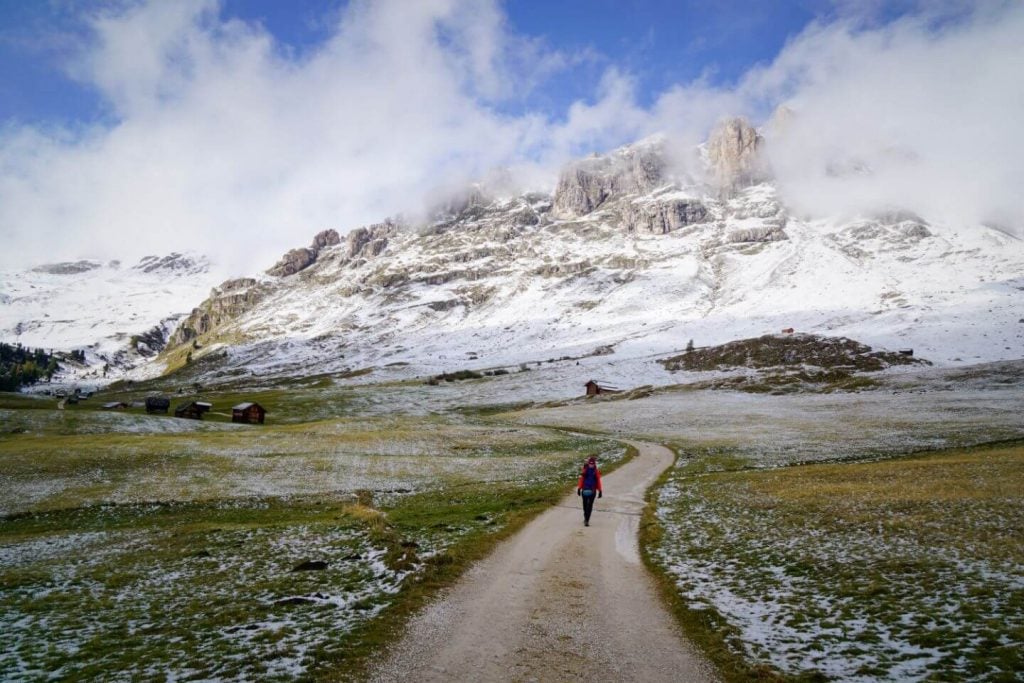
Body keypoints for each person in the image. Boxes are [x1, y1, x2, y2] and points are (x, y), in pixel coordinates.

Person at [576, 456, 603, 526]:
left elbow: (598, 482)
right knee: (585, 505)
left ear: (594, 464)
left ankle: (587, 520)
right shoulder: (585, 470)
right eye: (590, 464)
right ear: (588, 464)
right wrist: (579, 489)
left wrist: (600, 491)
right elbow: (581, 480)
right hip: (584, 490)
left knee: (590, 505)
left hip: (593, 491)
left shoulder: (596, 472)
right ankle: (585, 516)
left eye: (592, 464)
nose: (591, 465)